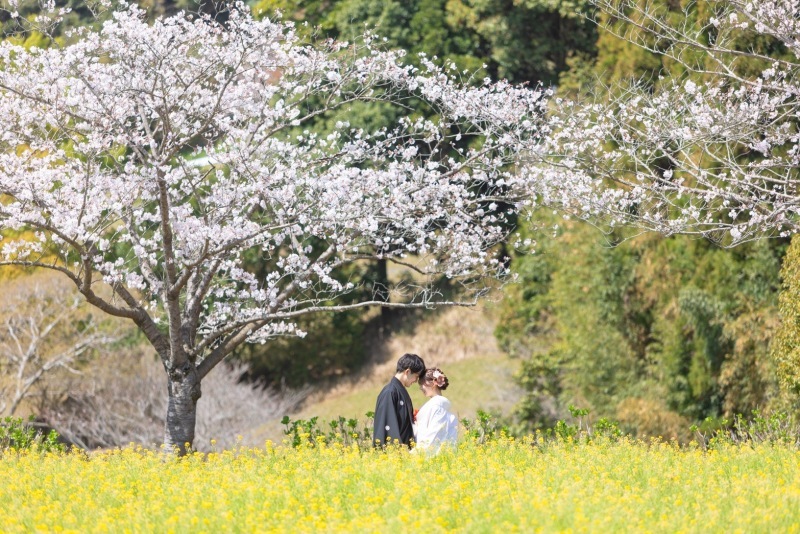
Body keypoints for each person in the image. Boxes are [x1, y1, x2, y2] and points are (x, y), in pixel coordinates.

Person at [373, 353, 425, 448]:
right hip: (394, 452)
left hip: (404, 450)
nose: (416, 380)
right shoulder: (390, 392)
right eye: (416, 376)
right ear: (408, 372)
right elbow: (387, 426)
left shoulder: (399, 391)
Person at [414, 367, 458, 455]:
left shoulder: (437, 406)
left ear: (433, 383)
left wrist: (415, 453)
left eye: (422, 383)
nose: (421, 388)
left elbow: (433, 435)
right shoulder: (438, 405)